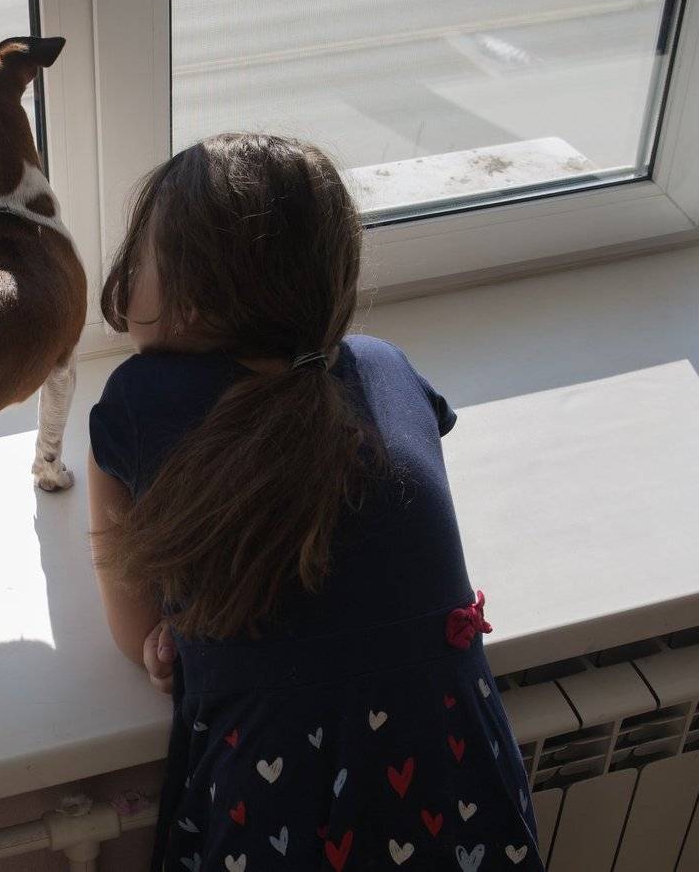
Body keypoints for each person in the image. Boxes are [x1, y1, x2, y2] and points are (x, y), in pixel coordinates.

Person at [86, 133, 541, 870]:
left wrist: (160, 637)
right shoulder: (389, 370)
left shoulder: (138, 402)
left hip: (275, 804)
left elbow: (133, 624)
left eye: (141, 259)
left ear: (192, 298)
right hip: (456, 781)